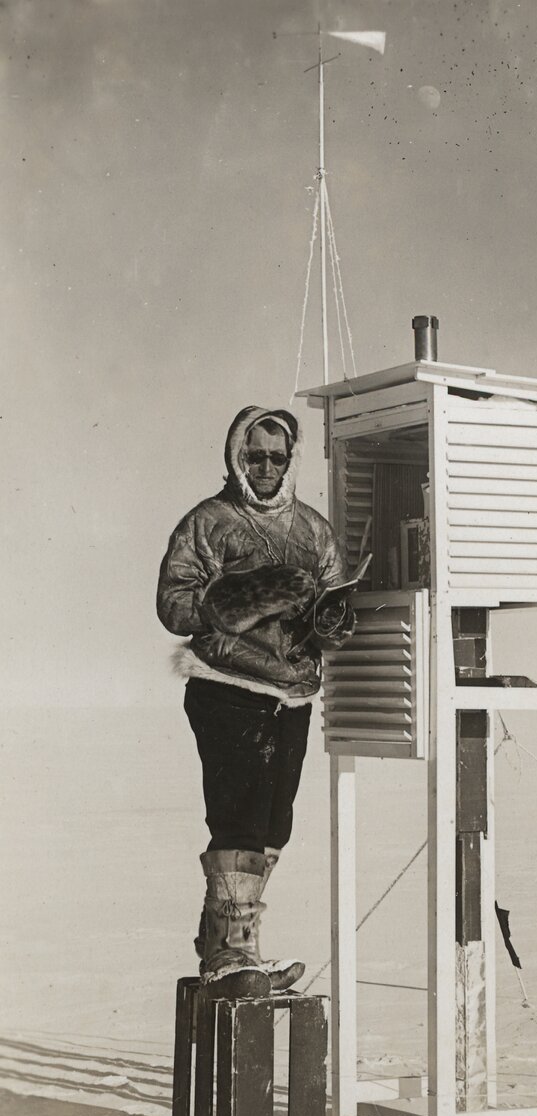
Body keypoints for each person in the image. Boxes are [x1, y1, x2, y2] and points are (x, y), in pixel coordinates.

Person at [157, 405, 354, 998]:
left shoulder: (313, 530)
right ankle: (232, 953)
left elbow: (331, 606)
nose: (266, 466)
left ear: (290, 460)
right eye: (255, 455)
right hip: (228, 687)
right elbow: (174, 604)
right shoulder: (208, 522)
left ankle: (222, 936)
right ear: (236, 457)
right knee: (238, 818)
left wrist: (331, 616)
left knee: (273, 826)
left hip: (291, 693)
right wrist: (252, 595)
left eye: (277, 456)